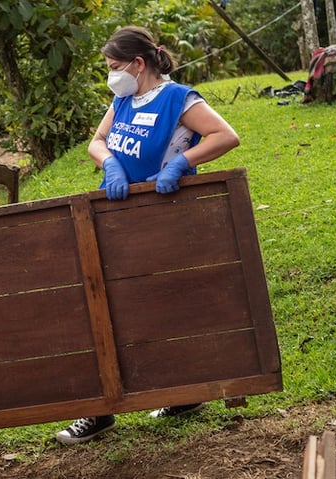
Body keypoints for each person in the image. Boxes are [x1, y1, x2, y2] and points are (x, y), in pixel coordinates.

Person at [55, 26, 240, 445]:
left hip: (162, 216)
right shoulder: (122, 99)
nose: (111, 75)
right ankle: (101, 410)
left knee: (157, 306)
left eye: (115, 67)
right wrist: (110, 164)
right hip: (116, 215)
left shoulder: (179, 99)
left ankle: (181, 393)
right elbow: (97, 141)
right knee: (104, 306)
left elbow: (226, 136)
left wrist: (180, 164)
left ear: (139, 64)